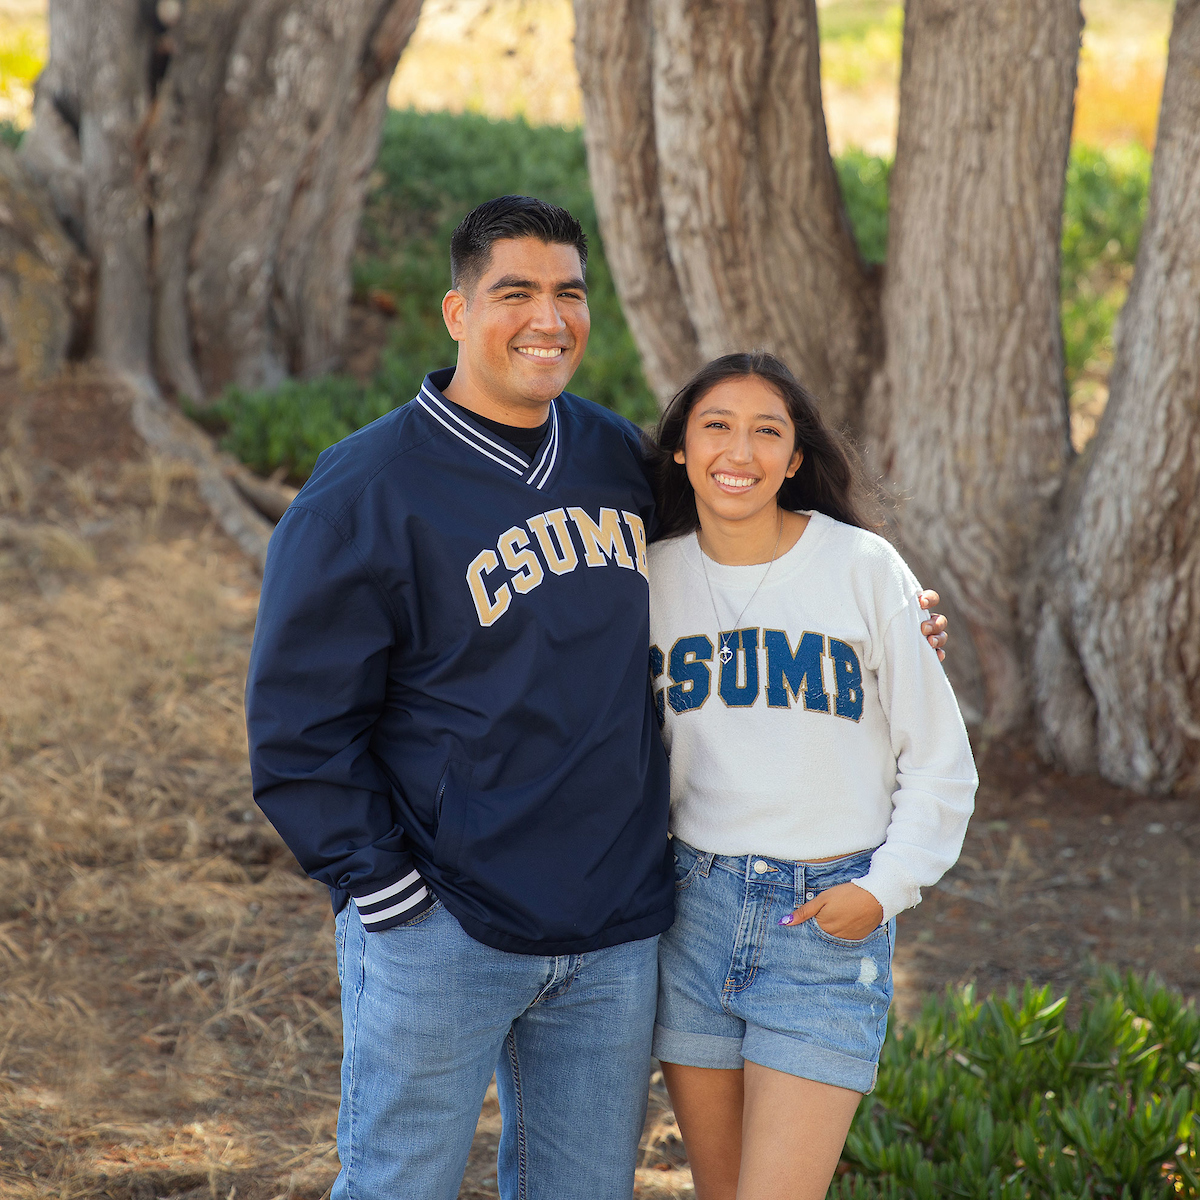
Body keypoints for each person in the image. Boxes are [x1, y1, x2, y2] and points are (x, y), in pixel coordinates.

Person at [244, 196, 950, 1200]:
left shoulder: (616, 457)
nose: (549, 317)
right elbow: (297, 728)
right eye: (515, 293)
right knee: (400, 1186)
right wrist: (386, 893)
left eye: (569, 293)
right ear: (456, 312)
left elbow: (743, 548)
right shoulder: (364, 491)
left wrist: (886, 607)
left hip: (614, 927)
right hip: (446, 920)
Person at [645, 351, 977, 1200]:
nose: (740, 451)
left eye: (768, 431)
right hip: (691, 909)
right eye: (716, 425)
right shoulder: (647, 575)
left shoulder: (863, 569)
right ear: (681, 447)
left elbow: (939, 760)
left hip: (822, 919)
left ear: (795, 459)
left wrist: (885, 887)